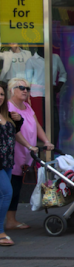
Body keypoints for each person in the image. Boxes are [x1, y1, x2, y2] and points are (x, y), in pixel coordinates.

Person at [5, 77, 53, 233]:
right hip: (14, 152)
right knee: (12, 187)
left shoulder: (26, 106)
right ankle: (9, 221)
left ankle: (11, 219)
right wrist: (28, 145)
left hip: (27, 153)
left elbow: (36, 125)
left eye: (27, 88)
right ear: (12, 90)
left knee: (16, 186)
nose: (25, 91)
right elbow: (15, 131)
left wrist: (46, 141)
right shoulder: (8, 107)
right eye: (21, 87)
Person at [0, 82, 24, 246]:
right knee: (7, 193)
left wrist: (19, 120)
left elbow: (13, 133)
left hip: (8, 161)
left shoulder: (7, 115)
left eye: (1, 94)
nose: (0, 97)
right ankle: (0, 231)